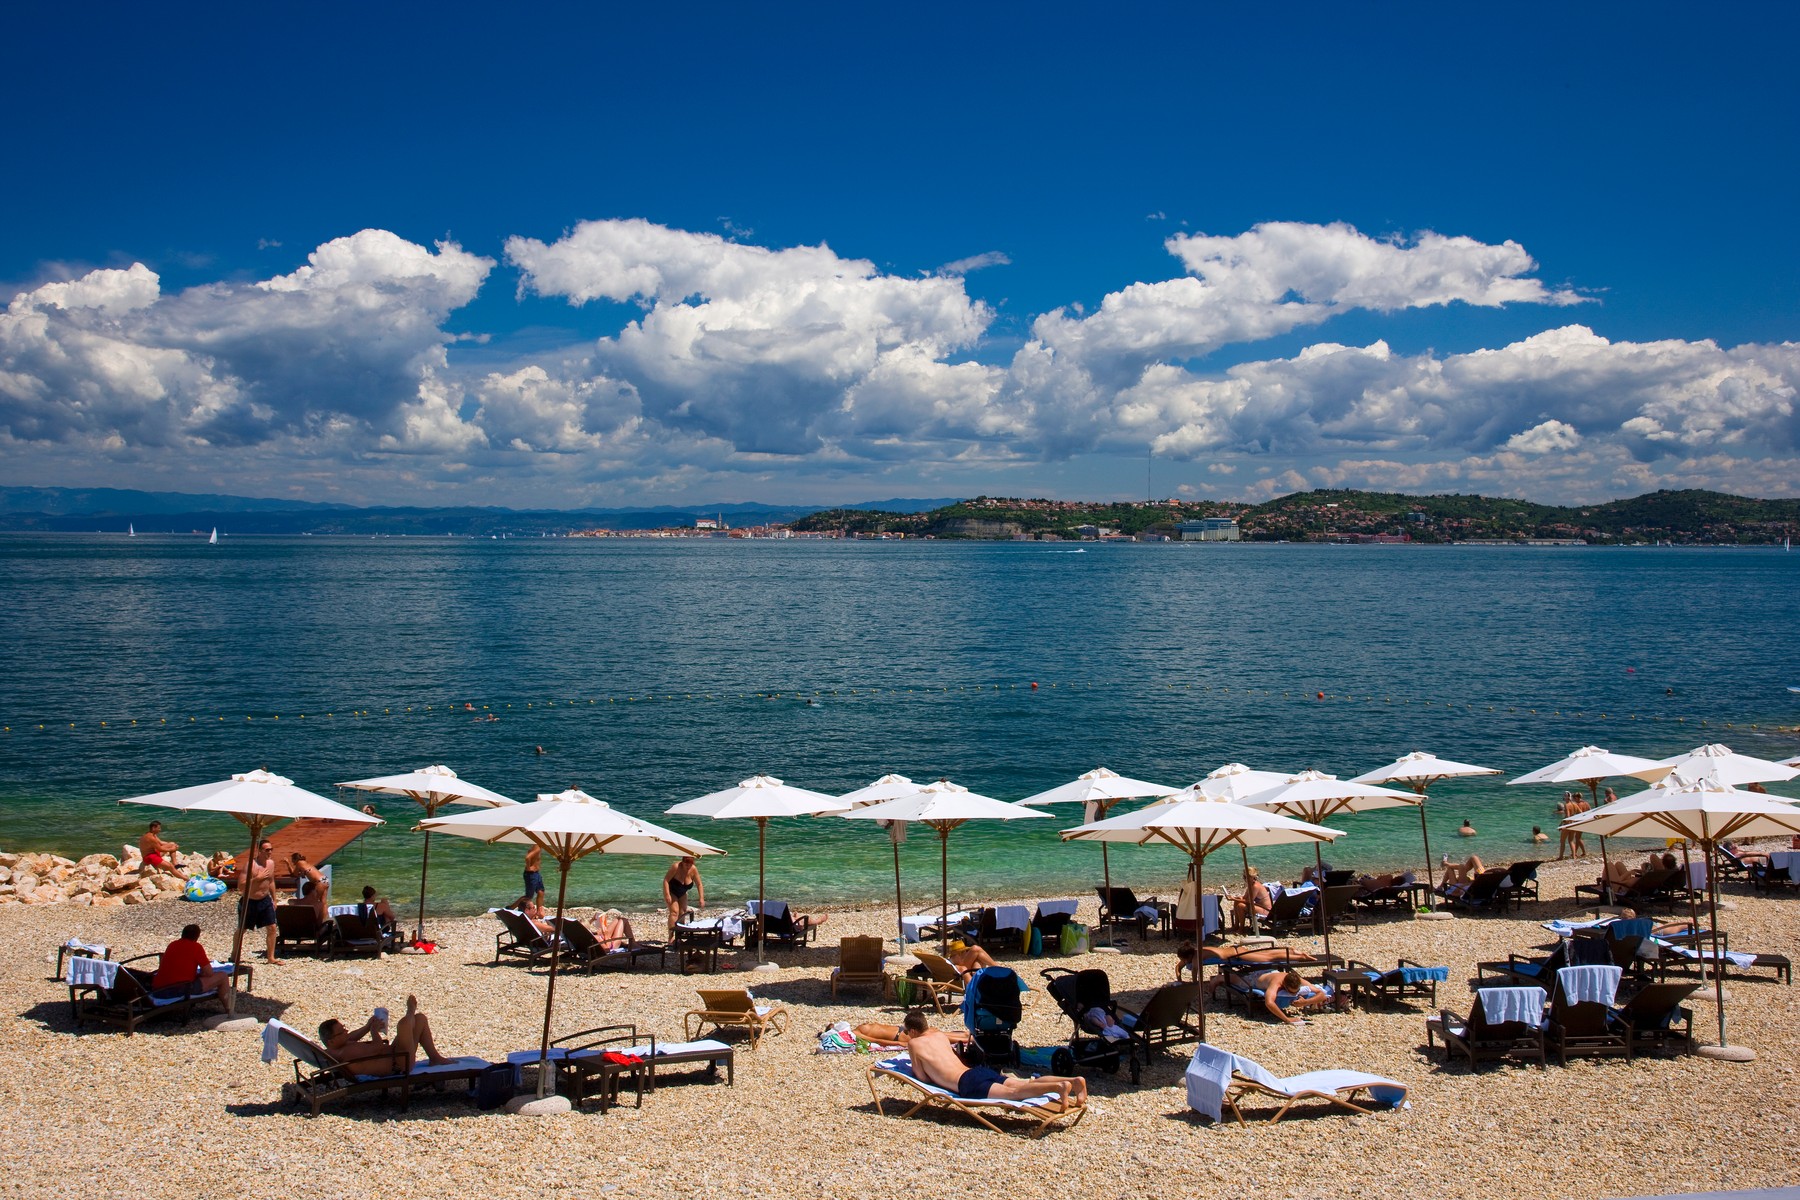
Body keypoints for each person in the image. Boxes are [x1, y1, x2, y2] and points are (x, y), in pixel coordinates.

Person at [896, 1009, 1086, 1109]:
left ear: (912, 1031)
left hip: (966, 1082)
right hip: (975, 1071)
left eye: (906, 1031)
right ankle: (1073, 1081)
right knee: (1022, 1083)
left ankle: (1058, 1087)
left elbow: (923, 1078)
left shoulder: (914, 1044)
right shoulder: (939, 1036)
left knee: (1014, 1094)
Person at [319, 995, 455, 1074]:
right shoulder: (346, 1054)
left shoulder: (338, 1046)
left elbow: (352, 1037)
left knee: (420, 1019)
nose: (346, 1032)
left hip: (396, 1054)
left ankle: (435, 1058)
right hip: (400, 1063)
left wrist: (367, 1026)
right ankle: (411, 1009)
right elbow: (377, 1048)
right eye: (342, 1031)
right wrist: (373, 1031)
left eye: (344, 1028)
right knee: (404, 1024)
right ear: (331, 1041)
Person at [152, 923, 234, 1011]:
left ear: (182, 934)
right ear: (197, 937)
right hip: (179, 989)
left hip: (158, 989)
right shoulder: (196, 947)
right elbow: (209, 972)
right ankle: (229, 1010)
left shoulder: (172, 945)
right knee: (222, 976)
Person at [1174, 943, 1321, 982]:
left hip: (1239, 955)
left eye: (1183, 959)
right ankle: (1291, 951)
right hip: (1237, 950)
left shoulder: (1196, 958)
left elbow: (1195, 974)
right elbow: (1178, 966)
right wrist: (1179, 977)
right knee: (1266, 954)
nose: (1183, 962)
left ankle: (1300, 957)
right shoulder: (1199, 949)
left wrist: (1192, 985)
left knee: (1269, 958)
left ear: (1187, 956)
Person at [1243, 968, 1338, 1025]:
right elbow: (1269, 1002)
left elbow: (1321, 994)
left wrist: (1305, 1002)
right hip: (1256, 978)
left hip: (1274, 972)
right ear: (1284, 985)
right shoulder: (1276, 983)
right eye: (1290, 992)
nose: (1293, 994)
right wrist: (1287, 1019)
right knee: (1233, 980)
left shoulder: (1300, 981)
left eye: (1296, 991)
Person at [243, 839, 282, 964]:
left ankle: (270, 957)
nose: (270, 852)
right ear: (259, 851)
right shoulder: (251, 865)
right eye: (267, 850)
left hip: (265, 900)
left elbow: (271, 882)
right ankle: (234, 954)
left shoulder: (271, 864)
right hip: (250, 900)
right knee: (242, 929)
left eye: (271, 849)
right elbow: (241, 885)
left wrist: (274, 899)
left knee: (272, 927)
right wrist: (257, 879)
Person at [663, 854, 703, 935]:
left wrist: (701, 898)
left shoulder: (693, 869)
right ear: (682, 862)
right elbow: (666, 881)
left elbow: (699, 884)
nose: (688, 866)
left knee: (682, 913)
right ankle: (671, 937)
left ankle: (680, 934)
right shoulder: (676, 867)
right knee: (674, 912)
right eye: (686, 864)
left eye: (690, 864)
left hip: (683, 892)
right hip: (672, 891)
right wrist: (667, 894)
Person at [1230, 867, 1272, 932]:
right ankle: (1236, 926)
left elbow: (1249, 901)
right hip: (1259, 907)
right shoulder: (1251, 885)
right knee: (1237, 902)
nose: (1245, 879)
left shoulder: (1256, 886)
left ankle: (1241, 928)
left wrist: (1233, 899)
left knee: (1240, 906)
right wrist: (1236, 899)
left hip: (1265, 910)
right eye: (1244, 876)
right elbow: (1244, 898)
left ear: (1253, 877)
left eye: (1247, 877)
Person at [290, 850, 328, 919]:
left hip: (319, 882)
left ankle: (315, 920)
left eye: (292, 861)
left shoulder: (299, 863)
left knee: (315, 902)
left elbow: (294, 874)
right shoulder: (305, 863)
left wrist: (287, 864)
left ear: (295, 859)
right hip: (324, 879)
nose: (293, 863)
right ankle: (324, 920)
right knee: (323, 903)